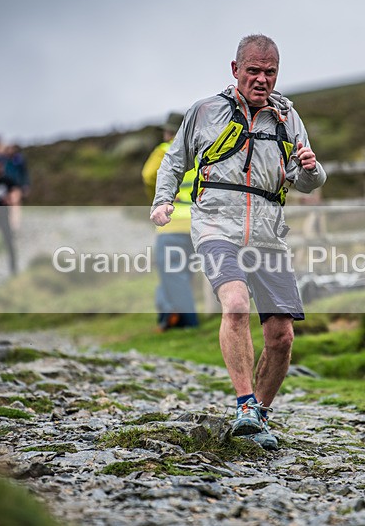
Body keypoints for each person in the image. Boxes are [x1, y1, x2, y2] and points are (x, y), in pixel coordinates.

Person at [151, 34, 326, 451]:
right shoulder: (205, 112)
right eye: (253, 71)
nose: (262, 79)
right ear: (235, 70)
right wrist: (161, 201)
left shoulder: (288, 118)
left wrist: (311, 167)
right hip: (216, 227)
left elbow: (307, 182)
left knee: (282, 336)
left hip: (267, 234)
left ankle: (257, 416)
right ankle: (245, 403)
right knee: (234, 304)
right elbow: (174, 161)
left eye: (270, 72)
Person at [142, 112, 199, 331]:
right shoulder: (198, 153)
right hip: (196, 224)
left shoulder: (165, 150)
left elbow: (148, 175)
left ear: (168, 132)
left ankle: (189, 325)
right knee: (181, 275)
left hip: (171, 224)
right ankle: (168, 318)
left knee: (173, 275)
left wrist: (159, 198)